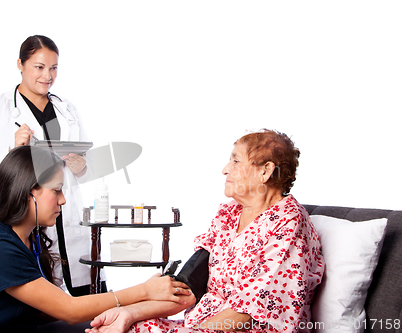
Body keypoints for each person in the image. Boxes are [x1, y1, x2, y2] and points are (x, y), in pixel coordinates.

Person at [86, 129, 325, 333]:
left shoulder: (288, 224)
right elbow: (189, 287)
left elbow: (254, 309)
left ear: (265, 171)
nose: (224, 169)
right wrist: (127, 313)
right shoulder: (229, 215)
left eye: (236, 161)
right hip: (204, 325)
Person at [0, 146, 194, 333]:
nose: (63, 200)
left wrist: (116, 311)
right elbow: (68, 310)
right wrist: (144, 291)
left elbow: (45, 311)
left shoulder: (30, 237)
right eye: (56, 190)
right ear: (29, 192)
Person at [0, 35, 98, 296]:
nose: (47, 75)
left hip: (68, 214)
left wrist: (81, 166)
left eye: (53, 68)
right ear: (20, 64)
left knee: (88, 298)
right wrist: (13, 151)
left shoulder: (67, 109)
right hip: (28, 214)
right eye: (39, 67)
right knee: (42, 303)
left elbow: (88, 166)